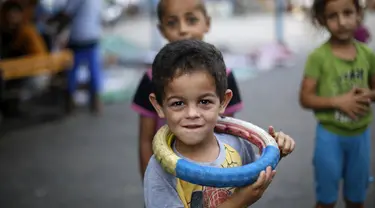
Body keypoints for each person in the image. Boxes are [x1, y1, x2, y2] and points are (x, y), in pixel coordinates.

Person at [144, 39, 296, 208]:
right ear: (159, 106)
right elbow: (243, 197)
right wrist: (238, 202)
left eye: (204, 101)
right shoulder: (160, 169)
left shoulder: (237, 144)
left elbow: (256, 172)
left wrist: (276, 152)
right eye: (178, 103)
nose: (192, 114)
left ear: (223, 102)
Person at [132, 0, 244, 178]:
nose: (182, 29)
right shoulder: (151, 79)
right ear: (161, 30)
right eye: (172, 22)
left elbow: (229, 130)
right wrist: (148, 180)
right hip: (167, 174)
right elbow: (146, 139)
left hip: (214, 173)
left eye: (191, 20)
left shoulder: (224, 75)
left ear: (207, 23)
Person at [299, 0, 374, 207]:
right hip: (330, 136)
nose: (342, 22)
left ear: (359, 14)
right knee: (326, 200)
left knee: (356, 198)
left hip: (360, 136)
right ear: (321, 20)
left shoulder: (367, 55)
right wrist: (338, 101)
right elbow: (305, 98)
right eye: (333, 16)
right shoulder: (318, 57)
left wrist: (369, 94)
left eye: (348, 12)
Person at [47, 0, 103, 115]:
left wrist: (51, 22)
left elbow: (66, 14)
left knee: (72, 69)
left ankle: (70, 101)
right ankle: (95, 102)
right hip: (93, 36)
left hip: (78, 38)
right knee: (94, 69)